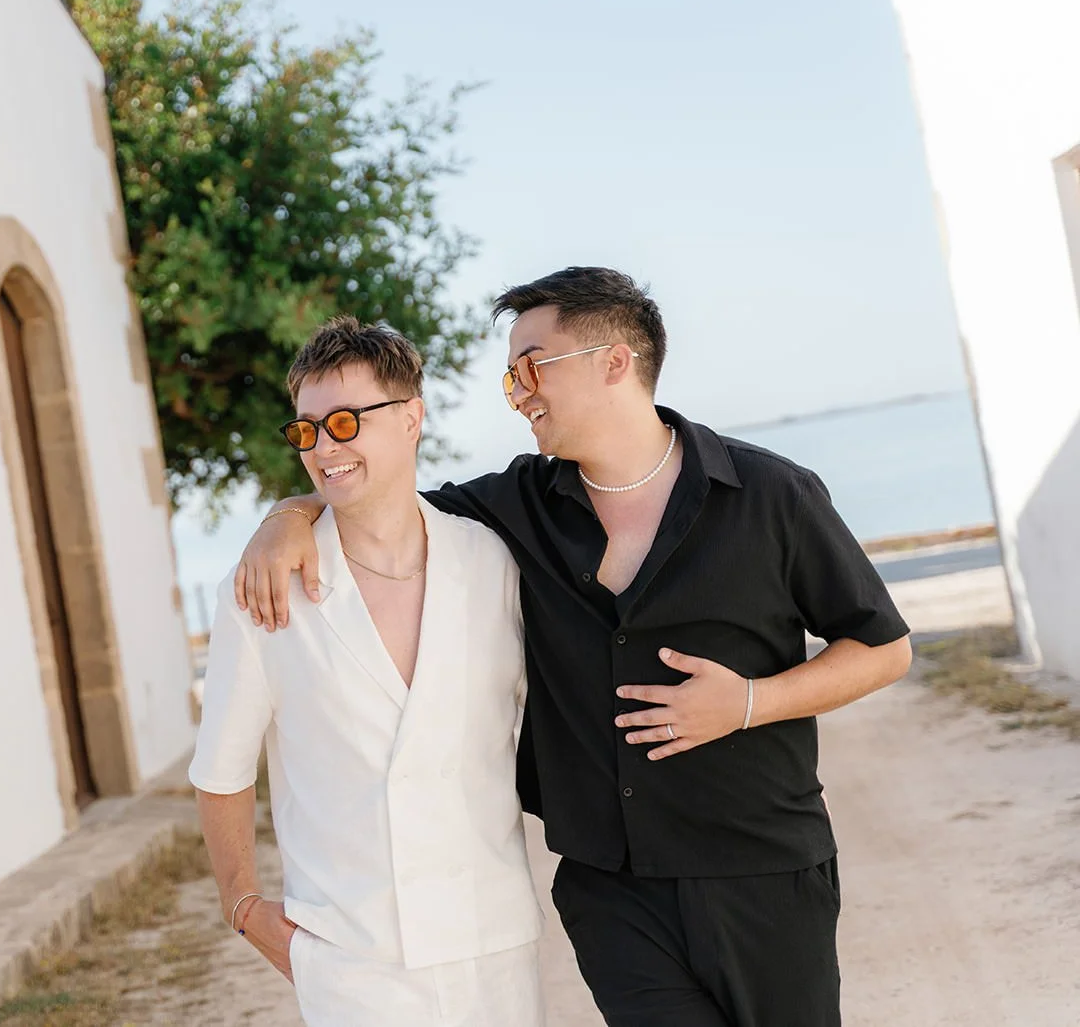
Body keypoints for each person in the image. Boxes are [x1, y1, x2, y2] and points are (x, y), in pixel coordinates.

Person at [235, 267, 913, 1027]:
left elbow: (884, 647)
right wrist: (285, 518)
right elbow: (375, 495)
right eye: (511, 375)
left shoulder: (772, 495)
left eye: (531, 366)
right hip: (610, 892)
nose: (518, 391)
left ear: (614, 362)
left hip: (762, 871)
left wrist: (750, 701)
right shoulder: (516, 506)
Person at [189, 316, 545, 1026]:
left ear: (411, 416)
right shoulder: (265, 586)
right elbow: (221, 768)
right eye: (307, 429)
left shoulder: (491, 562)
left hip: (493, 943)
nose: (324, 447)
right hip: (350, 961)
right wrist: (244, 907)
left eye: (347, 421)